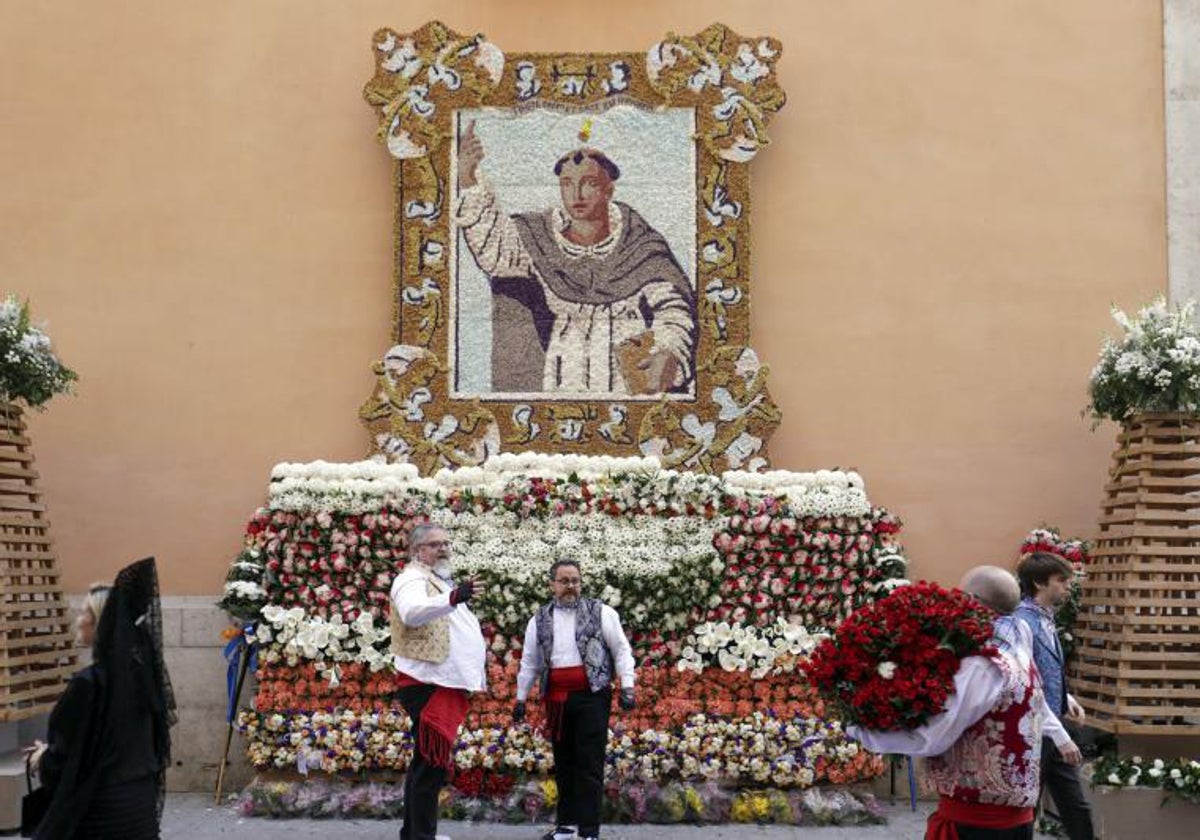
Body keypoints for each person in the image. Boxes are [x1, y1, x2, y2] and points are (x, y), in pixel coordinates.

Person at [455, 119, 697, 395]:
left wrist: (670, 352)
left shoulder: (639, 243)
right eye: (568, 183)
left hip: (628, 381)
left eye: (589, 183)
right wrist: (468, 178)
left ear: (608, 190)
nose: (577, 194)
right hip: (563, 374)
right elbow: (496, 251)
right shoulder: (540, 237)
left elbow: (674, 307)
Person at [849, 566, 1082, 840]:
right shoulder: (1017, 643)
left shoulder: (983, 664)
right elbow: (1036, 700)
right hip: (1012, 821)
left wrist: (860, 732)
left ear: (972, 601)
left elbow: (936, 735)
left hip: (979, 824)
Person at [24, 558, 176, 839]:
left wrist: (42, 757)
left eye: (84, 613)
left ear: (101, 625)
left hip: (100, 819)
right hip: (140, 815)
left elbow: (69, 760)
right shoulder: (143, 682)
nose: (78, 619)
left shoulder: (88, 685)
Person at [513, 559, 636, 840]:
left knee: (589, 764)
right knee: (564, 763)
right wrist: (520, 698)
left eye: (575, 581)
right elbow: (529, 662)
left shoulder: (602, 612)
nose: (570, 586)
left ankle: (590, 832)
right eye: (564, 580)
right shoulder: (539, 618)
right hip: (556, 700)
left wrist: (627, 687)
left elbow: (621, 650)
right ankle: (566, 827)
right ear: (552, 584)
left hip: (592, 696)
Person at [390, 524, 486, 840]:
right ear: (417, 550)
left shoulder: (437, 581)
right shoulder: (411, 579)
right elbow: (413, 613)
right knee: (429, 766)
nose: (443, 549)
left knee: (427, 764)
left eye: (446, 543)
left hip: (440, 682)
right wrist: (455, 597)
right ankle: (421, 836)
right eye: (434, 544)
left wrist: (453, 595)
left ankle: (415, 833)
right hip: (427, 682)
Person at [1014, 552, 1095, 840]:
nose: (1067, 586)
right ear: (1038, 582)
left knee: (1077, 808)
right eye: (1061, 580)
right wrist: (1061, 736)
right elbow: (1026, 685)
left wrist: (1067, 699)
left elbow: (1045, 670)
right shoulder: (1021, 622)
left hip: (1052, 727)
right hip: (1033, 733)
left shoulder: (1046, 619)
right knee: (1026, 810)